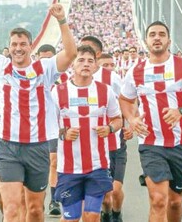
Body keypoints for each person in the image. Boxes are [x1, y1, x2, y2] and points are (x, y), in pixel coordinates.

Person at [0, 0, 77, 222]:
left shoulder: (44, 68)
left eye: (23, 44)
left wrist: (62, 20)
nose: (18, 48)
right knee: (12, 208)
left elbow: (71, 53)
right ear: (9, 46)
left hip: (37, 146)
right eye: (14, 44)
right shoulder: (0, 64)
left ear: (30, 46)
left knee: (35, 209)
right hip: (9, 147)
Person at [118, 21, 182, 222]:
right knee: (158, 199)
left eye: (161, 34)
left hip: (181, 143)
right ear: (146, 41)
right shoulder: (136, 71)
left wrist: (181, 111)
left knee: (175, 201)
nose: (157, 38)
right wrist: (132, 119)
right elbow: (125, 99)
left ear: (169, 40)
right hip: (151, 144)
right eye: (152, 34)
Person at [51, 45, 123, 222]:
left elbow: (118, 119)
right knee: (71, 219)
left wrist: (110, 129)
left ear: (95, 66)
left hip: (97, 166)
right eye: (81, 60)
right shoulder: (58, 92)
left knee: (91, 216)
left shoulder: (105, 91)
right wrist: (63, 133)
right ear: (72, 65)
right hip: (69, 168)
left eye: (90, 61)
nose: (86, 64)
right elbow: (48, 126)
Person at [80, 37, 130, 222]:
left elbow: (127, 100)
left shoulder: (112, 78)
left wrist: (129, 123)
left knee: (114, 191)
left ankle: (115, 213)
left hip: (113, 143)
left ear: (97, 55)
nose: (85, 55)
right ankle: (106, 214)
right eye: (81, 51)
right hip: (87, 146)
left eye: (89, 51)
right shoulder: (72, 78)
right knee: (99, 196)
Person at [35, 43, 62, 216]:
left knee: (54, 162)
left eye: (49, 59)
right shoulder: (29, 78)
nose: (45, 63)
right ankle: (37, 200)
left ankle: (54, 200)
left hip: (55, 129)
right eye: (42, 59)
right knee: (37, 168)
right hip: (33, 130)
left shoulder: (62, 81)